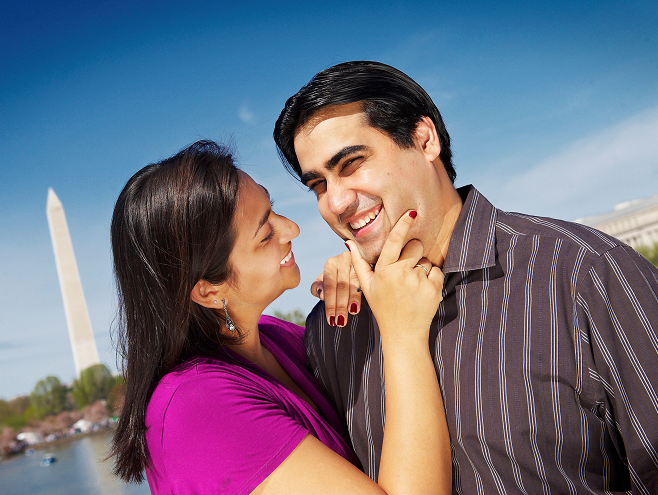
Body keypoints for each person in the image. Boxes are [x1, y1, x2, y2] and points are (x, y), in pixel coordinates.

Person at [273, 60, 658, 494]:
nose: (337, 202)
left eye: (351, 164)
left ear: (424, 140)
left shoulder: (585, 273)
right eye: (318, 185)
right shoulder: (333, 330)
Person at [108, 140, 451, 494]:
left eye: (273, 210)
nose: (291, 229)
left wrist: (365, 268)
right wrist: (403, 336)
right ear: (210, 290)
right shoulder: (196, 408)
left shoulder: (276, 337)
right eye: (266, 233)